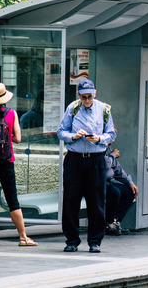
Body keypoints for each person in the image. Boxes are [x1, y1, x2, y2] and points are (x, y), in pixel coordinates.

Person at [57, 79, 116, 253]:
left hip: (96, 159)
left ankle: (95, 241)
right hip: (75, 159)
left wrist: (99, 138)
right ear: (79, 96)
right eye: (84, 97)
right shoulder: (72, 108)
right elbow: (61, 131)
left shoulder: (104, 109)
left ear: (95, 93)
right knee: (71, 201)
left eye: (90, 96)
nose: (87, 100)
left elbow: (111, 133)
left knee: (96, 201)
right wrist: (74, 136)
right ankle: (72, 240)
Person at [0, 82, 37, 247]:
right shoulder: (11, 114)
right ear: (4, 98)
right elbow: (18, 139)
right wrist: (5, 136)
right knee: (12, 199)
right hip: (6, 161)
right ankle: (23, 237)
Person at [105, 130, 139, 236]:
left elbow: (117, 169)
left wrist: (130, 183)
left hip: (107, 182)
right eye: (112, 136)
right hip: (96, 183)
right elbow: (103, 165)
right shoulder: (97, 147)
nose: (114, 140)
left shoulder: (109, 149)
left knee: (129, 192)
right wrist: (112, 156)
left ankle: (115, 221)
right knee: (114, 193)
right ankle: (109, 222)